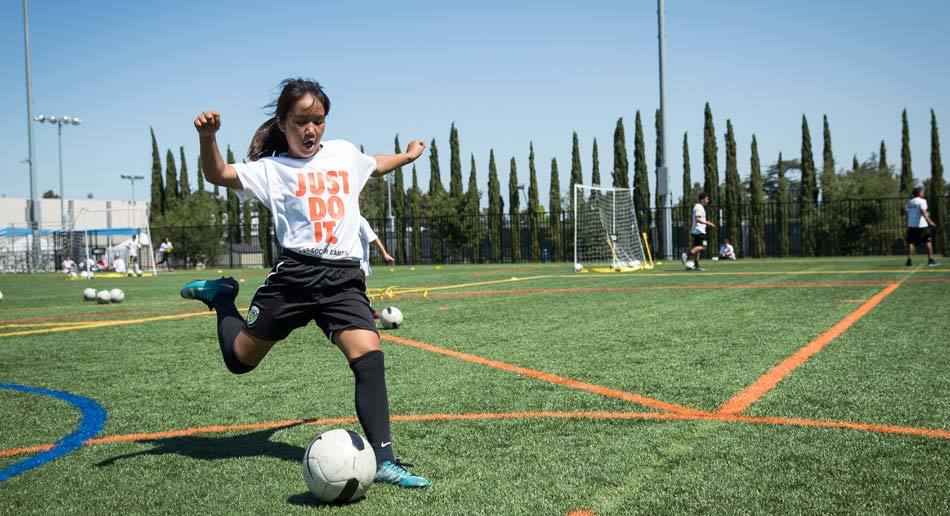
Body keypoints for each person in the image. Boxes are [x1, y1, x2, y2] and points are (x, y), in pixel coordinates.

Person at [179, 78, 429, 488]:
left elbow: (375, 163)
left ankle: (383, 459)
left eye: (318, 121)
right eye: (301, 121)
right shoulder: (271, 171)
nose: (311, 129)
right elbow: (218, 173)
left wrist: (407, 155)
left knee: (369, 356)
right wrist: (209, 138)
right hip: (294, 279)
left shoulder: (345, 154)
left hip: (343, 280)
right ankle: (223, 297)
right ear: (282, 123)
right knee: (240, 361)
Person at [359, 216, 396, 319]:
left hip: (359, 264)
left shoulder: (359, 220)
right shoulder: (342, 220)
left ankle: (367, 311)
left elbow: (373, 237)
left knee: (360, 288)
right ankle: (367, 312)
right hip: (348, 263)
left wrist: (385, 253)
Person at [681, 192, 716, 271]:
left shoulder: (699, 207)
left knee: (697, 249)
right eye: (707, 199)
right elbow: (698, 219)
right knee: (703, 246)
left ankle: (696, 265)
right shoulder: (699, 207)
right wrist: (708, 223)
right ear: (702, 199)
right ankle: (687, 254)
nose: (708, 201)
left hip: (698, 230)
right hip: (699, 230)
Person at [905, 186, 938, 267]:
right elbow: (922, 211)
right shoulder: (922, 201)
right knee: (928, 241)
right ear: (919, 193)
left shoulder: (909, 202)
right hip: (922, 225)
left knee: (911, 242)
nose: (923, 193)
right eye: (922, 192)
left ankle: (909, 260)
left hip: (911, 225)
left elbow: (909, 212)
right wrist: (929, 221)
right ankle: (930, 260)